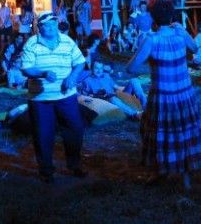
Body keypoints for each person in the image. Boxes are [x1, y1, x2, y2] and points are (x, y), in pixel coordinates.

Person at [125, 0, 201, 191]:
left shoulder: (152, 40)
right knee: (184, 133)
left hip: (163, 97)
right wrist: (183, 30)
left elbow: (131, 69)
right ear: (172, 15)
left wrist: (142, 50)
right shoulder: (180, 34)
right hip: (184, 95)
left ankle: (161, 171)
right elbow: (195, 49)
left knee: (161, 135)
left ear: (153, 18)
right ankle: (186, 179)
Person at [20, 12, 87, 183]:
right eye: (46, 25)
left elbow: (80, 62)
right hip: (41, 99)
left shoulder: (67, 41)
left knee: (75, 129)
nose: (51, 27)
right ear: (39, 27)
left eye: (53, 24)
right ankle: (46, 171)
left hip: (66, 95)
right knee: (43, 134)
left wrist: (72, 77)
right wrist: (42, 73)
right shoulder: (32, 43)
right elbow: (26, 68)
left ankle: (74, 164)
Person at [80, 60, 144, 119]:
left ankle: (145, 106)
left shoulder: (106, 75)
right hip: (106, 100)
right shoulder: (87, 81)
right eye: (96, 68)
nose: (99, 71)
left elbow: (116, 87)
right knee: (113, 99)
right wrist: (96, 96)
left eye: (101, 68)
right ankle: (135, 114)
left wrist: (130, 89)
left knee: (134, 80)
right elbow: (85, 97)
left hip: (116, 95)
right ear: (92, 69)